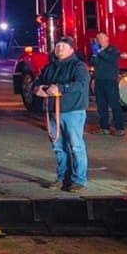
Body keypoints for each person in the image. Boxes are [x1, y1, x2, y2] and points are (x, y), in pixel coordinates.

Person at [34, 36, 90, 191]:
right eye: (58, 45)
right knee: (58, 147)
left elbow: (81, 85)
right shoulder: (50, 67)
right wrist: (37, 89)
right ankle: (62, 178)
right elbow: (38, 81)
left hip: (72, 111)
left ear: (71, 50)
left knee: (76, 146)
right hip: (53, 112)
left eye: (63, 46)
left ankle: (79, 180)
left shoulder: (78, 66)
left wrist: (60, 88)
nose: (59, 48)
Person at [90, 31, 125, 136]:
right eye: (97, 38)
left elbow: (111, 59)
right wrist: (95, 54)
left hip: (110, 81)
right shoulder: (97, 52)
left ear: (106, 38)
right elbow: (93, 62)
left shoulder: (113, 50)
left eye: (100, 37)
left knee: (114, 104)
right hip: (99, 81)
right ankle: (104, 127)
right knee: (101, 106)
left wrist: (100, 52)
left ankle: (120, 128)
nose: (98, 40)